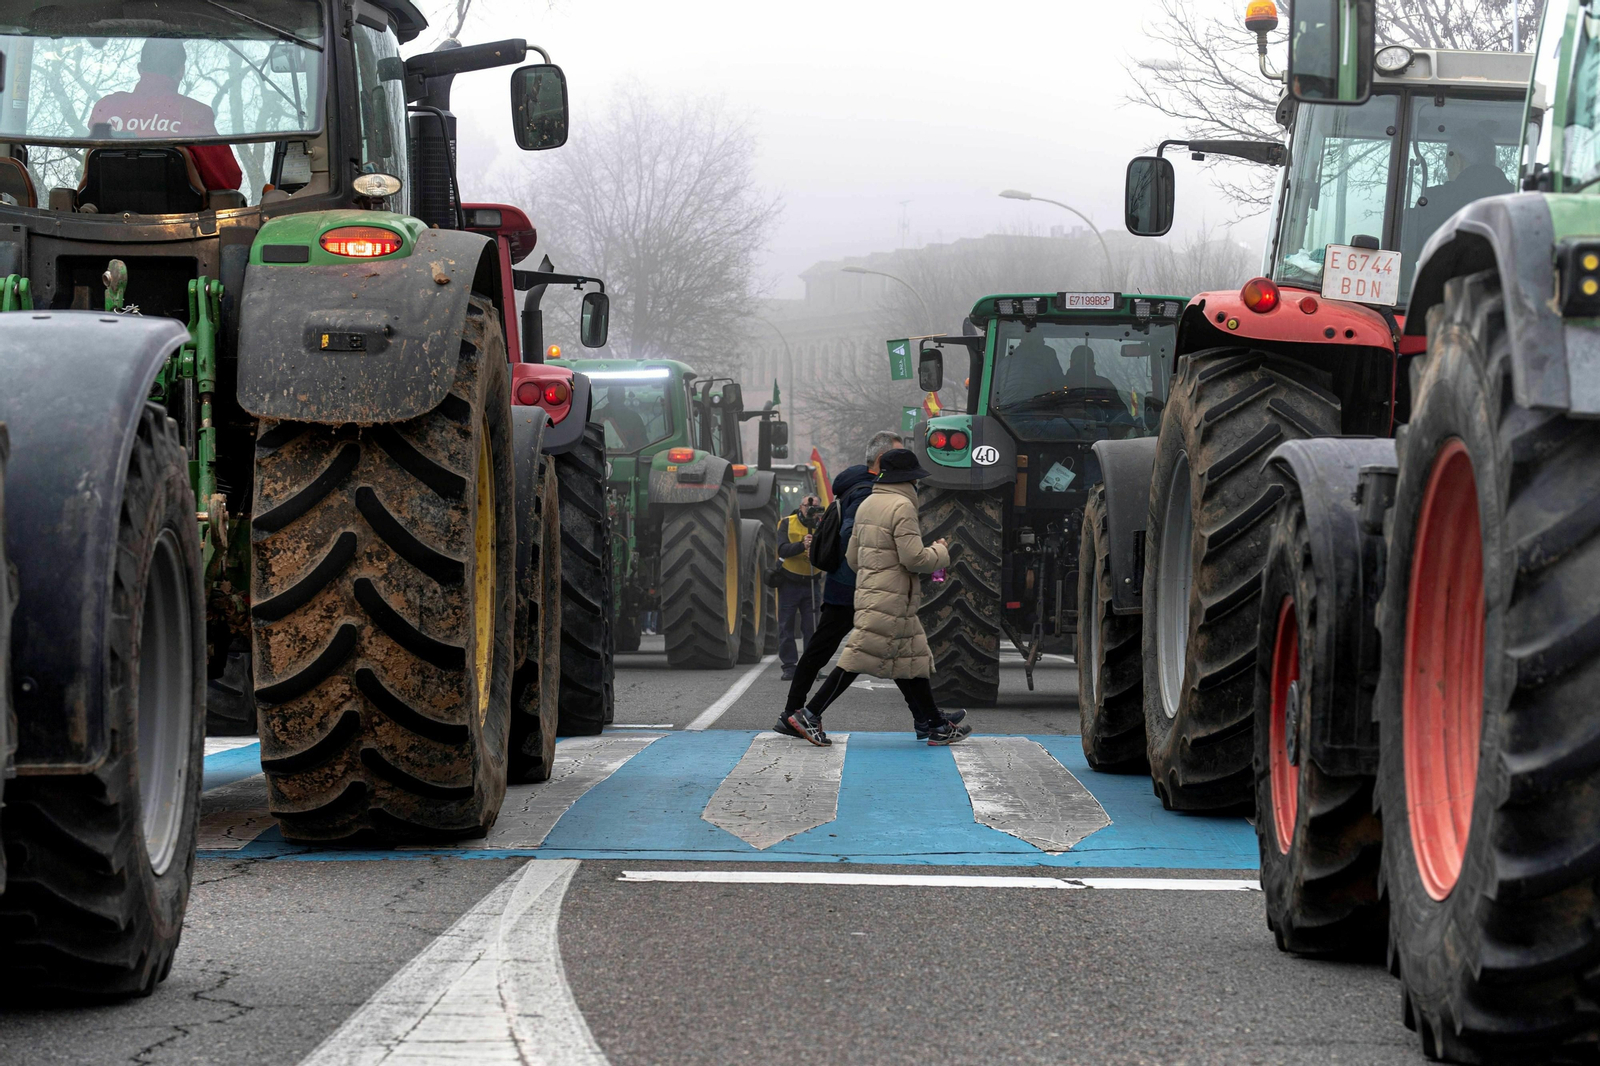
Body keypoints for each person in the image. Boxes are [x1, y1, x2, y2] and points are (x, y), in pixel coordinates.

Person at [787, 449, 972, 746]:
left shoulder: (868, 504)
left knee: (913, 658)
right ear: (909, 479)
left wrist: (876, 569)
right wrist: (940, 552)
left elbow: (852, 558)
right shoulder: (902, 507)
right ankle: (810, 713)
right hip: (892, 596)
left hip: (871, 591)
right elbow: (914, 559)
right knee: (857, 658)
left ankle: (935, 724)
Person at [773, 430, 900, 732]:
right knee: (871, 649)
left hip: (846, 585)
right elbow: (851, 536)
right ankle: (799, 713)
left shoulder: (858, 488)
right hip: (854, 586)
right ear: (883, 460)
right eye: (899, 455)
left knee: (899, 648)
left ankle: (929, 718)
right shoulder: (866, 493)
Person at [89, 39, 242, 191]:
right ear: (181, 71)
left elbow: (91, 170)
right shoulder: (194, 114)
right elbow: (228, 181)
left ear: (140, 69)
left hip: (105, 207)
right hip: (180, 208)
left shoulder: (106, 107)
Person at [774, 494, 825, 680]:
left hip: (812, 582)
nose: (811, 510)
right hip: (790, 582)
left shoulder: (823, 525)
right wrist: (802, 545)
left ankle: (811, 666)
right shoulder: (787, 523)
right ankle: (789, 666)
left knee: (812, 627)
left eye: (815, 508)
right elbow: (782, 549)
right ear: (801, 506)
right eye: (807, 506)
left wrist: (817, 549)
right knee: (786, 626)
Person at [599, 386, 649, 451]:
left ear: (608, 397)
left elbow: (642, 447)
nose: (617, 398)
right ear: (624, 398)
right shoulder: (634, 418)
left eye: (618, 396)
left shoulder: (596, 415)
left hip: (597, 457)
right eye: (615, 396)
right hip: (628, 456)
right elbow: (642, 447)